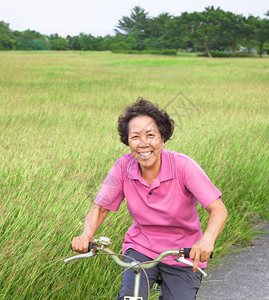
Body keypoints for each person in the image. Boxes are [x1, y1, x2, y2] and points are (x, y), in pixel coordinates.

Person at [71, 98, 228, 300]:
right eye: (135, 137)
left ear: (162, 138)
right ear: (127, 141)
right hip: (141, 249)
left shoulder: (183, 166)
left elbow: (218, 209)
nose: (143, 143)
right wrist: (87, 234)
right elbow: (100, 208)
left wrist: (207, 240)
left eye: (151, 135)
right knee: (130, 297)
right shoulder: (122, 167)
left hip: (183, 254)